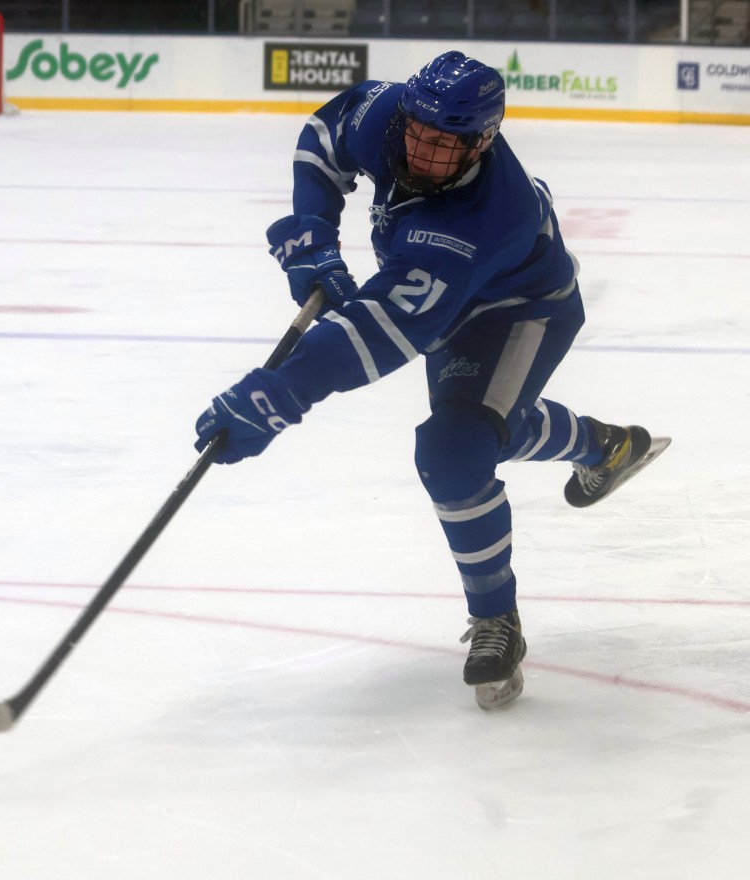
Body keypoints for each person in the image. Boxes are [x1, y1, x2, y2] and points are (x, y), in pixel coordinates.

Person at [194, 51, 669, 711]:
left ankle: (496, 617)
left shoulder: (480, 220)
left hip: (519, 311)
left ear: (482, 141)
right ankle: (605, 446)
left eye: (444, 143)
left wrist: (280, 393)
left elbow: (382, 330)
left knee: (454, 451)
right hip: (447, 298)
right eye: (417, 131)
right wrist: (313, 231)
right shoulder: (393, 116)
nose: (420, 151)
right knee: (484, 430)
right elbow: (325, 139)